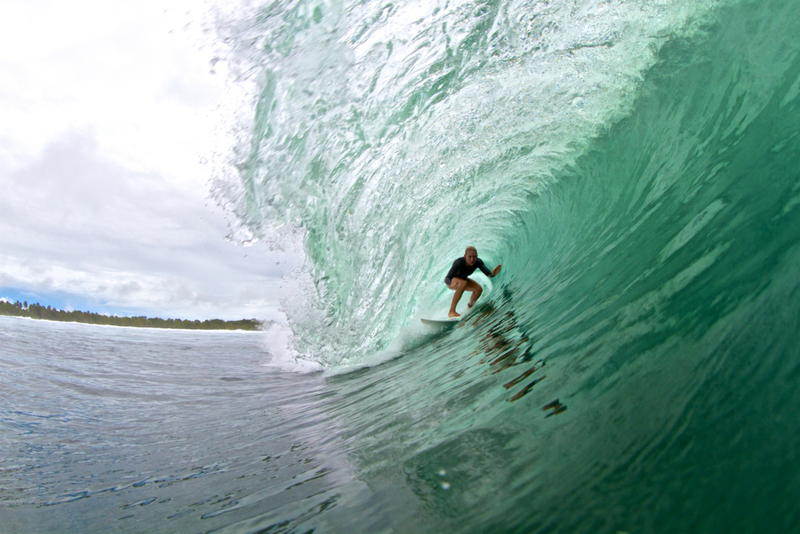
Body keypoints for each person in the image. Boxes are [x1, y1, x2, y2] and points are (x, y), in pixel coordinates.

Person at [444, 246, 501, 318]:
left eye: (474, 257)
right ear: (465, 256)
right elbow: (447, 278)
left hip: (463, 280)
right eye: (469, 257)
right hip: (452, 281)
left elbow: (488, 274)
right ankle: (451, 312)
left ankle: (469, 307)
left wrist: (493, 274)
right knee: (463, 283)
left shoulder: (478, 262)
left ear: (477, 256)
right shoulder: (459, 262)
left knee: (478, 289)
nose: (472, 259)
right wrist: (450, 283)